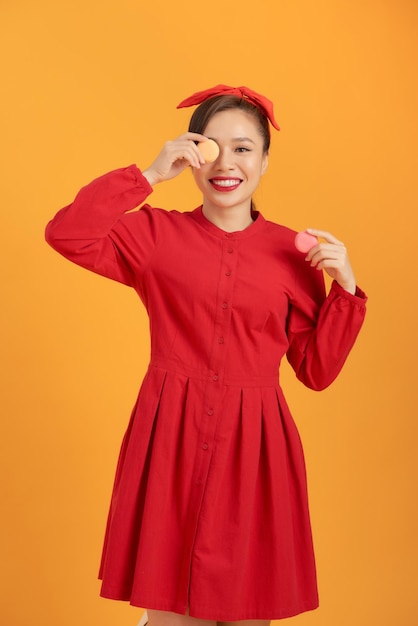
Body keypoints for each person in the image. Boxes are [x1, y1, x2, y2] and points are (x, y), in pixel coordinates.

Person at [45, 85, 367, 626]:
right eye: (210, 145)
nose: (226, 162)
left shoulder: (296, 254)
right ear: (192, 154)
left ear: (264, 159)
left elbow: (316, 371)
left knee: (246, 613)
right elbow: (68, 234)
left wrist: (345, 290)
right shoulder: (154, 234)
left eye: (243, 148)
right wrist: (148, 176)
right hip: (168, 438)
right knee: (171, 614)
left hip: (256, 453)